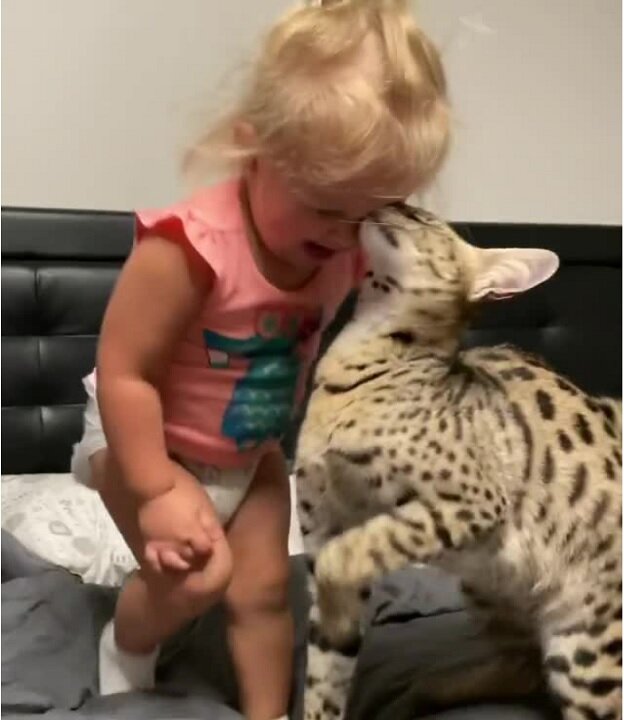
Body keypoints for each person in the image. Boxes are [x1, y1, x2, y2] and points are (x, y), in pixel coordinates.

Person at [68, 2, 450, 718]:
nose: (345, 237)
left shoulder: (344, 248)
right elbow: (125, 371)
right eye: (325, 207)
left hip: (250, 451)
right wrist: (155, 490)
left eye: (370, 214)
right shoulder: (189, 250)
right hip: (144, 439)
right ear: (254, 150)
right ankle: (128, 645)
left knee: (268, 589)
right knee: (197, 580)